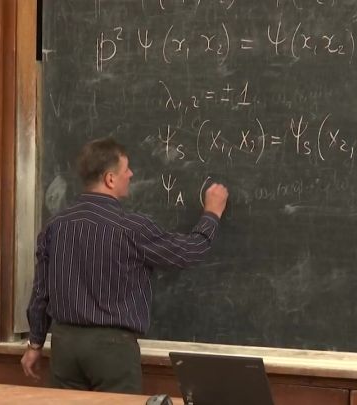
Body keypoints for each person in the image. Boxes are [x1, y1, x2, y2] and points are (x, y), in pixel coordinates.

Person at [20, 138, 229, 394]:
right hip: (112, 349)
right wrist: (212, 214)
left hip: (64, 346)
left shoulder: (55, 225)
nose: (131, 174)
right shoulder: (132, 228)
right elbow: (187, 252)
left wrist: (35, 343)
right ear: (110, 179)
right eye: (126, 169)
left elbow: (41, 292)